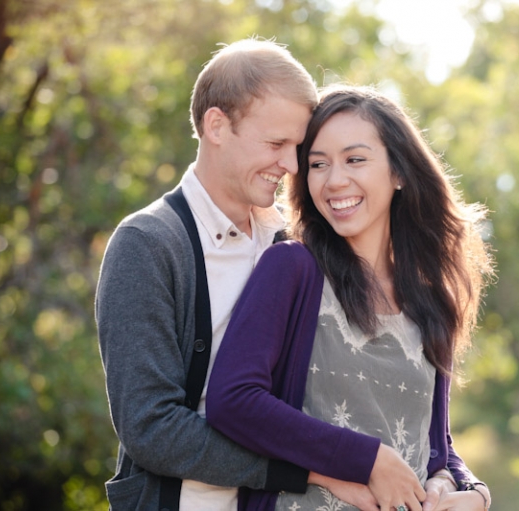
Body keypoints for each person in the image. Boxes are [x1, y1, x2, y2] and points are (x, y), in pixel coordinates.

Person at [96, 39, 369, 511]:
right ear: (216, 125)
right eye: (276, 143)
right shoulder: (148, 245)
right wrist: (301, 472)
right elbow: (152, 429)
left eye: (298, 148)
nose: (290, 166)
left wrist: (461, 482)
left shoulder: (297, 245)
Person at [205, 85, 494, 511]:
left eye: (355, 159)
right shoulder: (292, 268)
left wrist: (469, 492)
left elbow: (437, 446)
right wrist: (369, 460)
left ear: (398, 172)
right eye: (318, 164)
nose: (335, 180)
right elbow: (232, 401)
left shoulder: (431, 301)